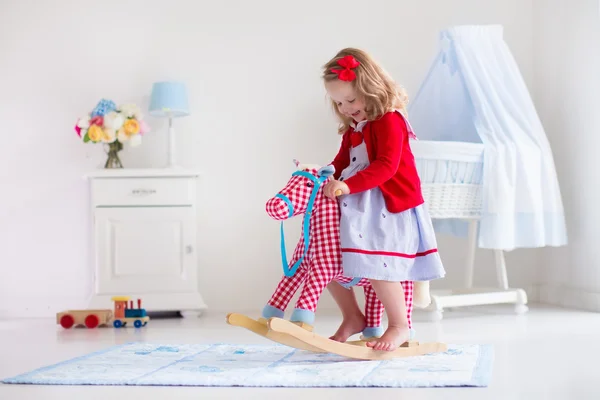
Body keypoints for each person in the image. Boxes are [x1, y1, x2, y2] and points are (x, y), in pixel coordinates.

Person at [321, 48, 446, 351]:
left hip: (390, 207)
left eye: (351, 100)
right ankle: (352, 316)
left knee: (379, 267)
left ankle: (399, 326)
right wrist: (322, 175)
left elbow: (385, 166)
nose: (346, 108)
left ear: (372, 89)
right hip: (362, 207)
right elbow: (340, 161)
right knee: (326, 257)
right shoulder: (355, 128)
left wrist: (348, 186)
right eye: (338, 102)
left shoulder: (390, 120)